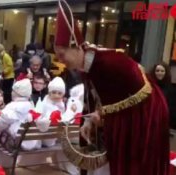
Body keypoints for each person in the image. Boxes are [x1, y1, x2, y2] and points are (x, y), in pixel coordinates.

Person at [54, 0, 169, 174]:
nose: (60, 60)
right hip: (125, 112)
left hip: (145, 113)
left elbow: (127, 103)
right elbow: (98, 98)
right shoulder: (86, 66)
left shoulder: (111, 64)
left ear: (75, 47)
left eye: (62, 55)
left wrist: (102, 116)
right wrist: (89, 120)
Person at [0, 79, 41, 154]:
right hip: (32, 142)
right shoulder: (30, 105)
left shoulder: (12, 107)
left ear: (16, 93)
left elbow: (2, 123)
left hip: (16, 143)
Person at [150, 63, 176, 129]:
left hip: (162, 124)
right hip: (149, 121)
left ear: (166, 73)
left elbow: (171, 109)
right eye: (157, 71)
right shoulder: (149, 86)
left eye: (162, 71)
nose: (159, 73)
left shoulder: (170, 89)